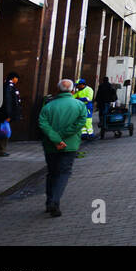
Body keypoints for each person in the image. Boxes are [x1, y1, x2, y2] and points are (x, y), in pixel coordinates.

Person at [38, 79, 89, 216]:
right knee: (63, 173)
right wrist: (61, 137)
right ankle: (54, 201)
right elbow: (80, 123)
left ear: (57, 90)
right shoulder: (79, 105)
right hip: (70, 145)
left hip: (51, 146)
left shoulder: (48, 106)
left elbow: (43, 124)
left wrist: (55, 138)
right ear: (73, 91)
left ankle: (50, 201)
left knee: (52, 172)